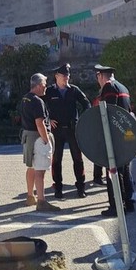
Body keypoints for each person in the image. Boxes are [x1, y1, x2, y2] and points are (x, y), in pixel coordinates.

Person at [93, 65, 135, 216]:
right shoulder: (123, 87)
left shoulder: (109, 87)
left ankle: (116, 206)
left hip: (115, 137)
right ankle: (128, 203)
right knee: (125, 170)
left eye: (98, 77)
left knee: (113, 171)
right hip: (126, 135)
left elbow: (108, 112)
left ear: (100, 76)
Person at [44, 64, 90, 199]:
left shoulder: (74, 90)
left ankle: (81, 188)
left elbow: (86, 104)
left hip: (72, 129)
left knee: (78, 159)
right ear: (56, 76)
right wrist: (48, 119)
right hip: (56, 130)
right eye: (64, 76)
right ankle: (58, 188)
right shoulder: (49, 91)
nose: (66, 78)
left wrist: (83, 120)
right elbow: (40, 107)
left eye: (68, 76)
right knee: (56, 160)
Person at [19, 74, 60, 212]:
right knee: (40, 171)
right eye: (44, 84)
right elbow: (39, 123)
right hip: (38, 138)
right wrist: (46, 140)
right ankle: (41, 201)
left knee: (31, 167)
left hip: (28, 137)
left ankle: (30, 196)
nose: (45, 87)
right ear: (38, 85)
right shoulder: (37, 101)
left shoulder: (25, 98)